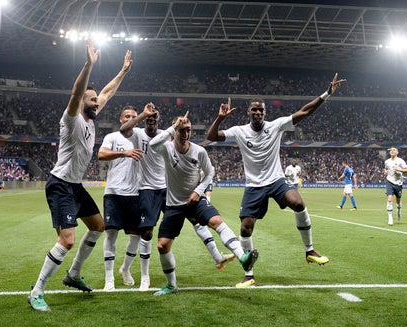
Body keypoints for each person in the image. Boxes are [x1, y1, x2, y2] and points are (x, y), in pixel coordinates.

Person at [207, 73, 346, 288]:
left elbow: (305, 111)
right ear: (249, 112)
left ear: (265, 112)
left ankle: (309, 250)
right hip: (254, 185)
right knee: (245, 228)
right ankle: (249, 275)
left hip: (276, 180)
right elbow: (212, 137)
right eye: (254, 109)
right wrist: (220, 118)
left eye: (261, 109)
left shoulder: (276, 126)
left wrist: (327, 93)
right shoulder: (239, 131)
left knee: (298, 203)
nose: (258, 112)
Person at [28, 39, 132, 312]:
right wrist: (89, 64)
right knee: (67, 240)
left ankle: (73, 274)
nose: (97, 102)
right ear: (82, 102)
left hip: (75, 185)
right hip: (60, 184)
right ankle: (36, 291)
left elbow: (107, 91)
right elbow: (76, 94)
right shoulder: (72, 118)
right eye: (92, 99)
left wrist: (122, 71)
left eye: (97, 99)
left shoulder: (92, 116)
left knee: (98, 226)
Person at [120, 104, 237, 292]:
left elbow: (183, 146)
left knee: (197, 220)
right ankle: (144, 276)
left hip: (168, 189)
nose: (150, 121)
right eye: (148, 119)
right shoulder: (141, 134)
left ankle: (216, 255)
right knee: (149, 233)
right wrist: (144, 115)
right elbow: (126, 129)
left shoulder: (167, 136)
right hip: (148, 189)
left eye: (154, 118)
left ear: (159, 121)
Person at [149, 111, 258, 296]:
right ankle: (171, 285)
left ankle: (243, 257)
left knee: (216, 221)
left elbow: (209, 173)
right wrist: (172, 127)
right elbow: (153, 144)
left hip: (195, 200)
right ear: (175, 131)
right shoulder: (166, 148)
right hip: (174, 204)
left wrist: (198, 192)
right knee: (162, 246)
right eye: (181, 130)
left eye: (188, 130)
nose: (185, 134)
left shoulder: (199, 151)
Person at [98, 106, 144, 292]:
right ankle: (109, 279)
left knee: (136, 236)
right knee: (111, 234)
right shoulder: (112, 137)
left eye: (134, 116)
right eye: (127, 116)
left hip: (135, 193)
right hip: (114, 192)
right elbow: (101, 155)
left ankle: (125, 269)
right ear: (120, 119)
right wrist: (124, 153)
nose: (130, 119)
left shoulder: (140, 136)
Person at [384, 147, 407, 226]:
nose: (392, 151)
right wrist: (386, 171)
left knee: (398, 200)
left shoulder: (400, 161)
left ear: (397, 152)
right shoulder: (387, 161)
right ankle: (390, 218)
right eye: (391, 150)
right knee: (389, 198)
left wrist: (399, 169)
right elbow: (386, 169)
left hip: (398, 183)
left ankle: (398, 210)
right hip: (389, 181)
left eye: (394, 150)